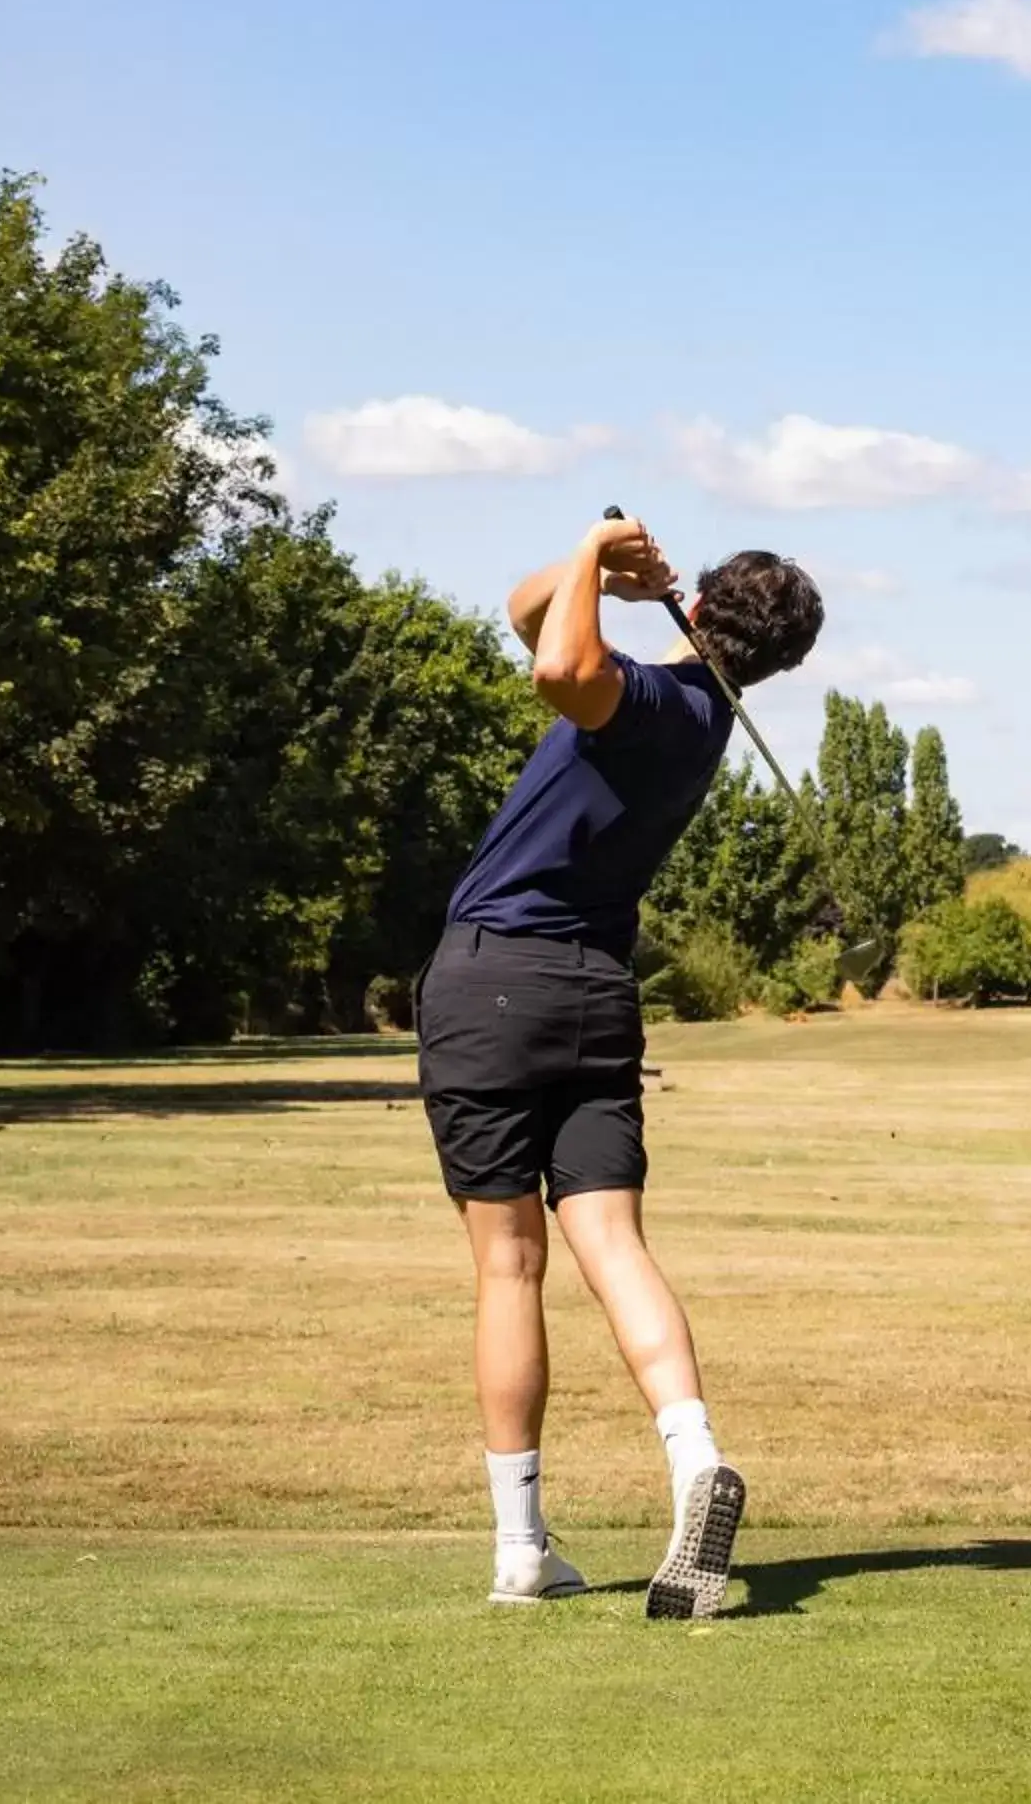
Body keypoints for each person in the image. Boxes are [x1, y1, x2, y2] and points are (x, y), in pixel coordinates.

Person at [415, 512, 823, 1620]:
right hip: (595, 991)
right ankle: (695, 1462)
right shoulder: (695, 715)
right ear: (779, 663)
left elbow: (556, 663)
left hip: (493, 979)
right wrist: (590, 566)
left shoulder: (645, 697)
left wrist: (599, 554)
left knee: (507, 1267)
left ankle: (519, 1548)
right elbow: (525, 617)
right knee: (611, 1237)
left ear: (698, 610)